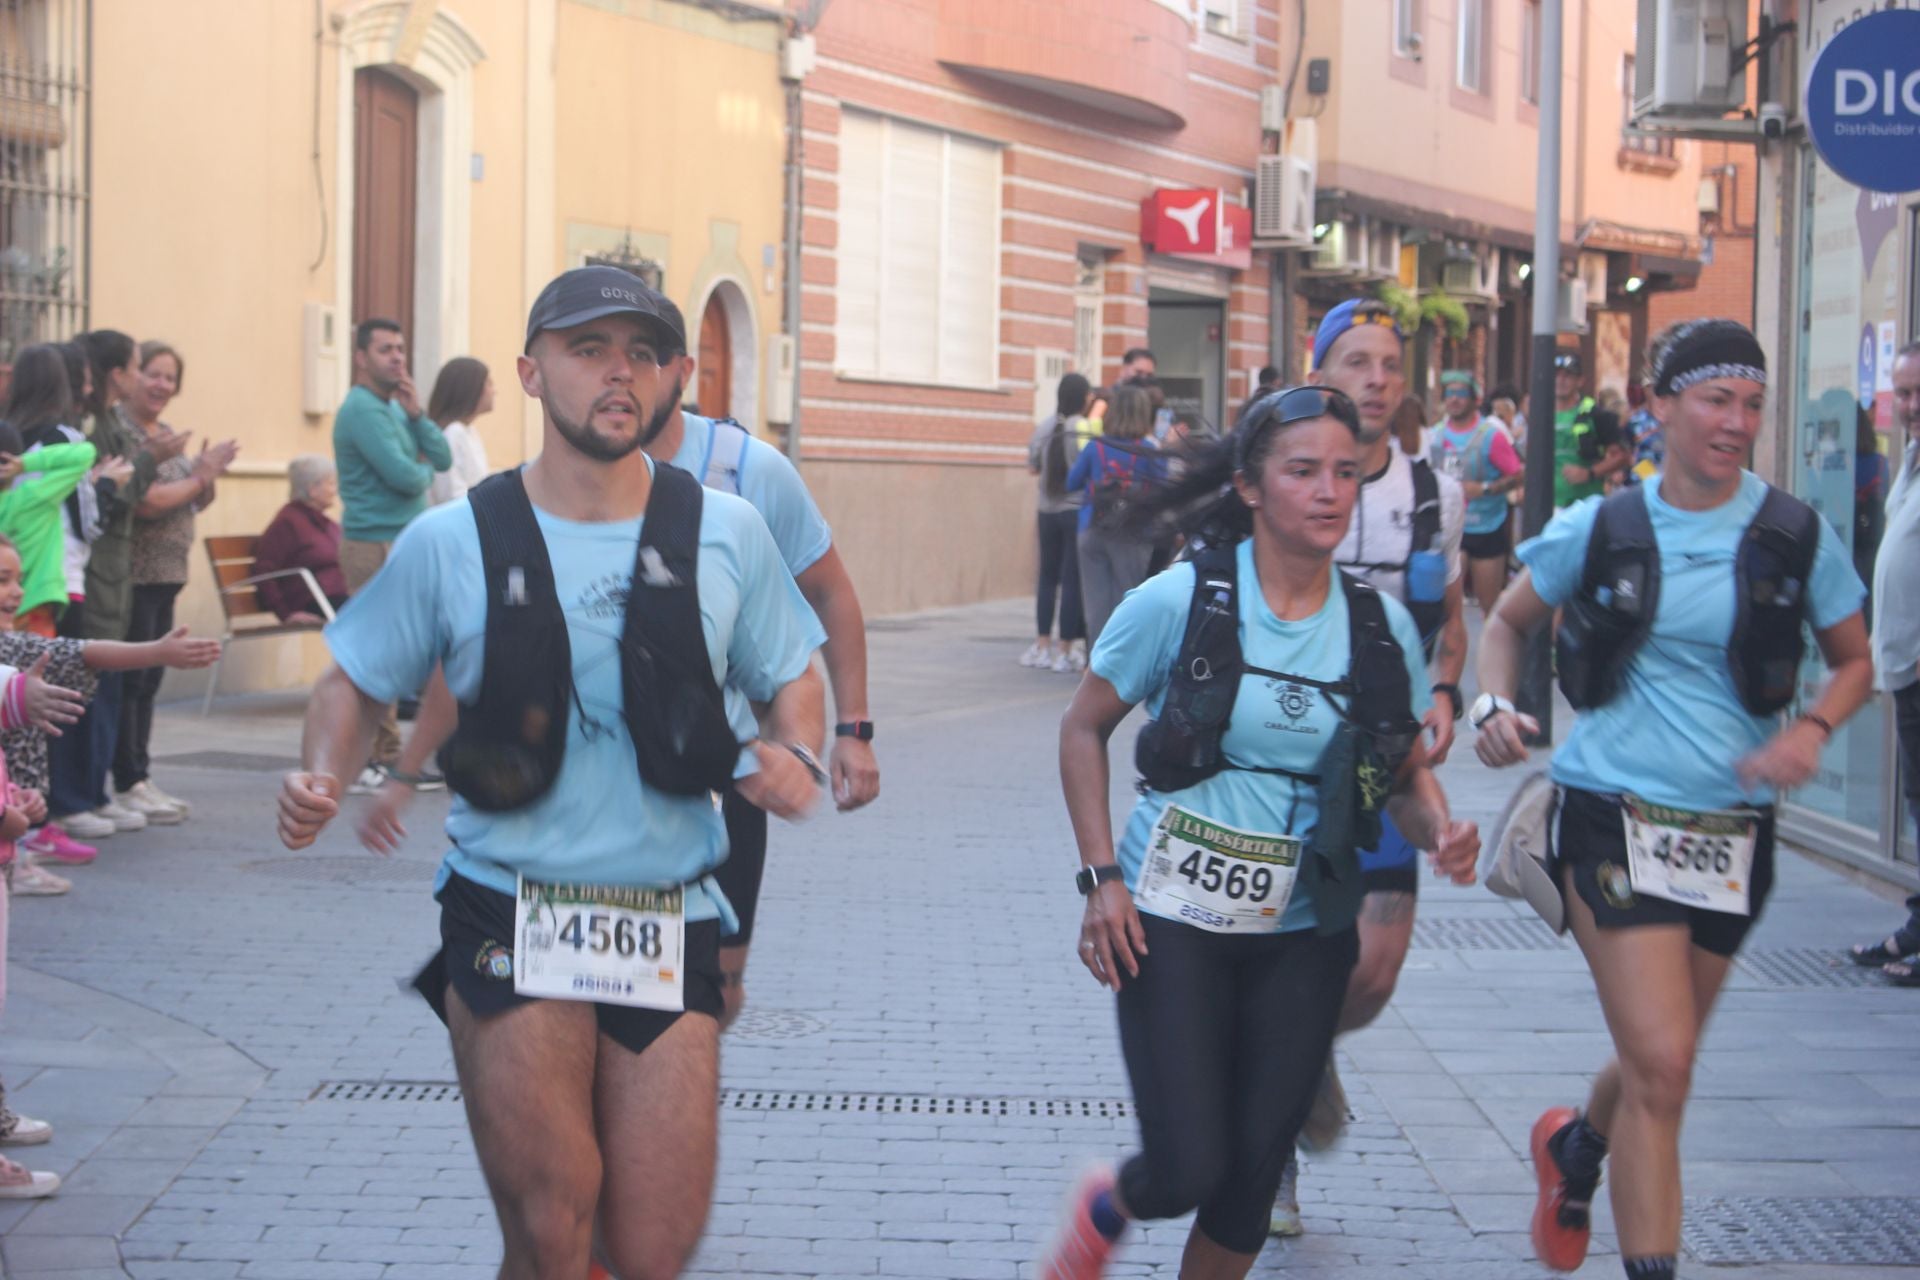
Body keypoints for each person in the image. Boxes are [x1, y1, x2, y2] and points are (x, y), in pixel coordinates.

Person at [278, 266, 827, 1280]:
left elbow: (795, 673)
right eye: (590, 350)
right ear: (533, 372)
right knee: (552, 1217)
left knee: (651, 1248)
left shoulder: (726, 530)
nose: (620, 373)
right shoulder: (454, 539)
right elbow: (353, 678)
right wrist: (323, 772)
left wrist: (797, 750)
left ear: (667, 378)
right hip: (510, 909)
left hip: (668, 912)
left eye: (643, 353)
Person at [1039, 385, 1478, 1280]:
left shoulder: (1378, 628)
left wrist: (1438, 827)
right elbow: (1083, 729)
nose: (1328, 492)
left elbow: (1393, 778)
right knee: (1188, 1165)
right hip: (1168, 918)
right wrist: (1100, 881)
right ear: (1249, 485)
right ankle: (1115, 1201)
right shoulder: (1180, 600)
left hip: (1305, 931)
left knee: (1247, 1184)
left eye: (1346, 474)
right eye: (1303, 471)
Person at [1473, 319, 1873, 1280]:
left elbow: (1856, 662)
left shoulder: (1792, 534)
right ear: (1661, 408)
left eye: (1750, 404)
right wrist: (1492, 702)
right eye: (1713, 400)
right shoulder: (1605, 527)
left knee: (1665, 1058)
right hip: (1611, 814)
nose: (1735, 423)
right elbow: (1506, 620)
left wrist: (1811, 731)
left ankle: (1577, 1148)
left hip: (1731, 832)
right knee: (1663, 1066)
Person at [1267, 299, 1467, 1232]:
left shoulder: (1433, 491)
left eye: (1390, 362)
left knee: (1373, 973)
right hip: (1277, 760)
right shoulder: (1279, 472)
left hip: (1381, 761)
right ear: (1321, 371)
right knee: (1292, 951)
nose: (1377, 378)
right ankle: (1272, 1156)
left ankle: (1300, 1058)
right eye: (1357, 361)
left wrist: (1446, 693)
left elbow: (1453, 620)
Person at [116, 341, 237, 822]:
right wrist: (197, 476)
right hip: (135, 574)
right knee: (132, 678)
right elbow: (145, 501)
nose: (162, 385)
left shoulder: (166, 433)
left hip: (168, 574)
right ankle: (124, 777)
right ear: (131, 376)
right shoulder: (126, 434)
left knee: (150, 680)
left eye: (170, 378)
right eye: (154, 374)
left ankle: (140, 774)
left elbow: (190, 500)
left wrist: (207, 478)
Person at [331, 318, 452, 793]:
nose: (398, 357)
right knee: (376, 653)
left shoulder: (397, 408)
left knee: (418, 648)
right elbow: (406, 477)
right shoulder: (361, 410)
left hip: (402, 539)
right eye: (385, 349)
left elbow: (440, 460)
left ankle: (395, 754)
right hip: (371, 544)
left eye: (400, 348)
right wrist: (420, 473)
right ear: (361, 358)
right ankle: (379, 757)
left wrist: (419, 416)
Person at [1852, 341, 1920, 985]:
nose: (1910, 405)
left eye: (1919, 392)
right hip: (1906, 665)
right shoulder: (1911, 462)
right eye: (1902, 393)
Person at [1068, 385, 1166, 644]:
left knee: (1096, 607)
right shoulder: (1148, 450)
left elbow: (1071, 482)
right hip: (1132, 533)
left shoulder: (1095, 447)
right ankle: (1122, 668)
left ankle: (1095, 668)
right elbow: (1164, 489)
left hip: (1092, 528)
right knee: (1128, 603)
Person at [1429, 370, 1524, 611]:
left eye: (1461, 393)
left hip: (1486, 526)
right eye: (1449, 394)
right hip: (1450, 528)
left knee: (1489, 607)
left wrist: (1485, 489)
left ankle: (1490, 647)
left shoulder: (1491, 435)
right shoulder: (1435, 436)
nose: (1454, 399)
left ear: (1475, 399)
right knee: (1446, 606)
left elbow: (1518, 475)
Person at [1025, 373, 1091, 673]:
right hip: (1074, 510)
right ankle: (1065, 647)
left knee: (1047, 578)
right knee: (1072, 581)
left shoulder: (1044, 427)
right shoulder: (1081, 428)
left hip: (1046, 510)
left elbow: (1032, 466)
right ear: (1083, 398)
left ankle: (1041, 644)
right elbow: (1087, 466)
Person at [252, 455, 349, 623]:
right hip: (315, 602)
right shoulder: (287, 523)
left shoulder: (325, 523)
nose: (335, 490)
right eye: (331, 483)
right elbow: (264, 571)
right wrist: (286, 614)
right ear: (313, 489)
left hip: (337, 599)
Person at [1550, 350, 1629, 510]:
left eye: (1568, 376)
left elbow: (1621, 456)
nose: (1561, 380)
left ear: (1580, 381)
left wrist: (1589, 473)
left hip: (1585, 506)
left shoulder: (1596, 414)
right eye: (1556, 375)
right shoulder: (1541, 414)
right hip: (1547, 505)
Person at [426, 357, 496, 506]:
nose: (494, 391)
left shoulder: (469, 431)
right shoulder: (452, 434)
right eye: (489, 383)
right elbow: (451, 497)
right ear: (471, 388)